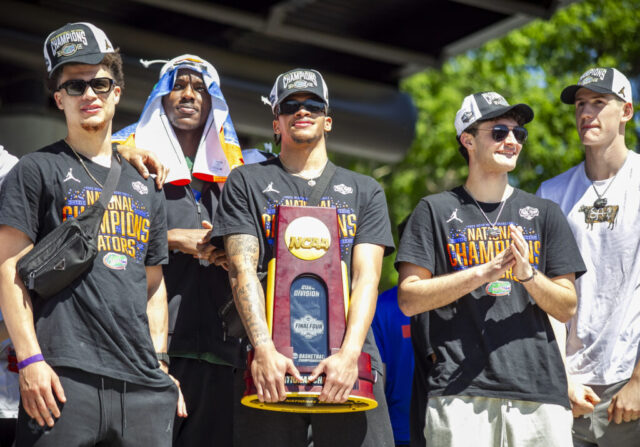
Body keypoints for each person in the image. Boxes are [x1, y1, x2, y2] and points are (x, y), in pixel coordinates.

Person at [0, 22, 185, 447]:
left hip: (141, 385)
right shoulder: (35, 170)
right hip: (62, 380)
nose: (89, 95)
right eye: (76, 85)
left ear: (117, 92)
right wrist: (30, 360)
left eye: (100, 83)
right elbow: (8, 269)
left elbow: (154, 285)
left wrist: (160, 365)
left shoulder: (145, 182)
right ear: (58, 97)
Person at [213, 68, 396, 446]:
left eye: (312, 104)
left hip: (347, 365)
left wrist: (349, 355)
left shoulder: (365, 190)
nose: (302, 111)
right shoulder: (246, 181)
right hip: (271, 366)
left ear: (328, 120)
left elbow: (366, 279)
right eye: (290, 106)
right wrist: (263, 350)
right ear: (276, 121)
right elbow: (240, 269)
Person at [396, 91, 586, 446]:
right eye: (499, 131)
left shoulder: (545, 213)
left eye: (519, 134)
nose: (512, 141)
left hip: (540, 395)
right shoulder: (434, 210)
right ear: (467, 139)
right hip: (458, 392)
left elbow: (567, 306)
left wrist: (527, 274)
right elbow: (408, 298)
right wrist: (483, 273)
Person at [112, 53, 246, 447]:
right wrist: (177, 238)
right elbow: (107, 238)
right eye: (178, 85)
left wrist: (228, 249)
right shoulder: (130, 163)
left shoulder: (237, 174)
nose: (188, 95)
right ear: (160, 97)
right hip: (150, 348)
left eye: (200, 88)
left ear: (214, 103)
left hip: (223, 352)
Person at [537, 67, 640, 446]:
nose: (586, 113)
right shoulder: (551, 192)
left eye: (599, 103)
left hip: (627, 383)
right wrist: (562, 377)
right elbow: (544, 291)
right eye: (581, 104)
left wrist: (639, 381)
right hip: (568, 386)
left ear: (626, 111)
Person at [371, 285, 413, 447]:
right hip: (400, 431)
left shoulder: (379, 305)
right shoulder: (381, 306)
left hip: (397, 428)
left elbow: (378, 380)